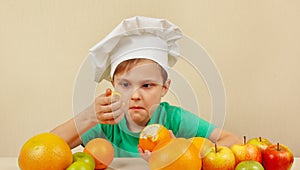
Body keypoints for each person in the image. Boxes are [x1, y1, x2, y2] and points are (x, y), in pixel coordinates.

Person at [51, 16, 242, 159]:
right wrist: (90, 115)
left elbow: (232, 140)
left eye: (147, 85)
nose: (135, 95)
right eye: (125, 84)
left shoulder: (174, 119)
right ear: (113, 86)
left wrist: (180, 151)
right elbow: (48, 148)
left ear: (164, 88)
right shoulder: (106, 123)